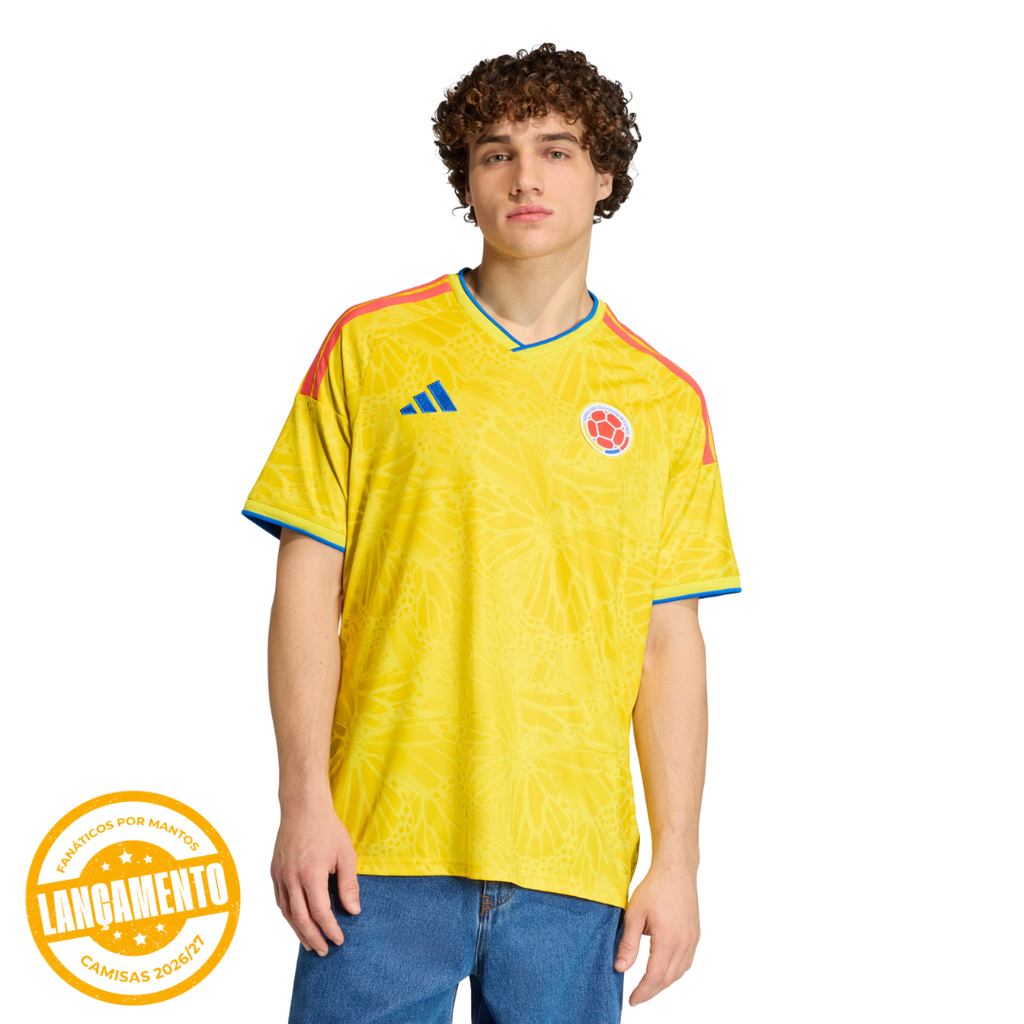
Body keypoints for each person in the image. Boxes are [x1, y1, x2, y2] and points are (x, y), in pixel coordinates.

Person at [242, 41, 741, 1024]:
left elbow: (667, 641)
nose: (524, 177)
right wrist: (302, 801)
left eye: (557, 150)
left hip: (573, 860)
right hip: (375, 846)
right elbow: (306, 582)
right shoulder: (371, 347)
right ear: (465, 181)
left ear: (604, 177)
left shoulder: (663, 400)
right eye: (495, 153)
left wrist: (677, 861)